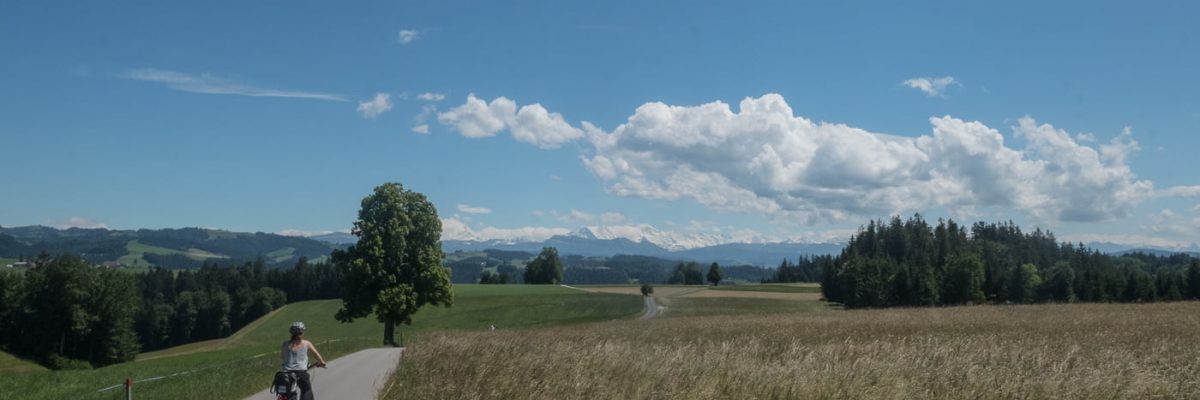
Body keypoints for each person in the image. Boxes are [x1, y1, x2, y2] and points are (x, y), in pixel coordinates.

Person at [282, 321, 326, 400]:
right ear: (302, 332)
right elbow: (316, 354)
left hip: (286, 373)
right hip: (300, 372)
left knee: (290, 392)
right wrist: (322, 362)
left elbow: (283, 357)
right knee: (306, 390)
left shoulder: (285, 344)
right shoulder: (306, 343)